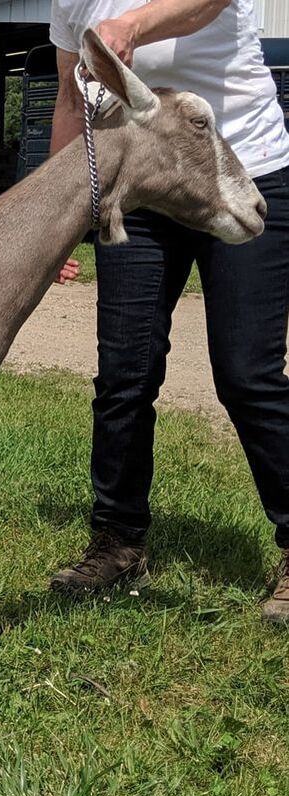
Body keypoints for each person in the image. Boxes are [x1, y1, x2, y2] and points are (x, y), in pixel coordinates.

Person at [47, 0, 289, 621]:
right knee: (124, 373)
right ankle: (118, 539)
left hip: (241, 171)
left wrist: (132, 26)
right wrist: (55, 226)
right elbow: (71, 102)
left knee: (248, 374)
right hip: (143, 190)